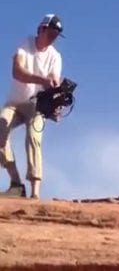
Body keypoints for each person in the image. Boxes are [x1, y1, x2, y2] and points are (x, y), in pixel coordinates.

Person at [0, 14, 63, 199]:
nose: (53, 38)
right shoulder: (25, 44)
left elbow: (54, 83)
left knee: (34, 138)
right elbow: (17, 72)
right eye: (51, 33)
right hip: (15, 103)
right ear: (41, 29)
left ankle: (35, 193)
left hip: (36, 105)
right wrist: (41, 80)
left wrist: (55, 104)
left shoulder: (55, 56)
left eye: (56, 35)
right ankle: (16, 184)